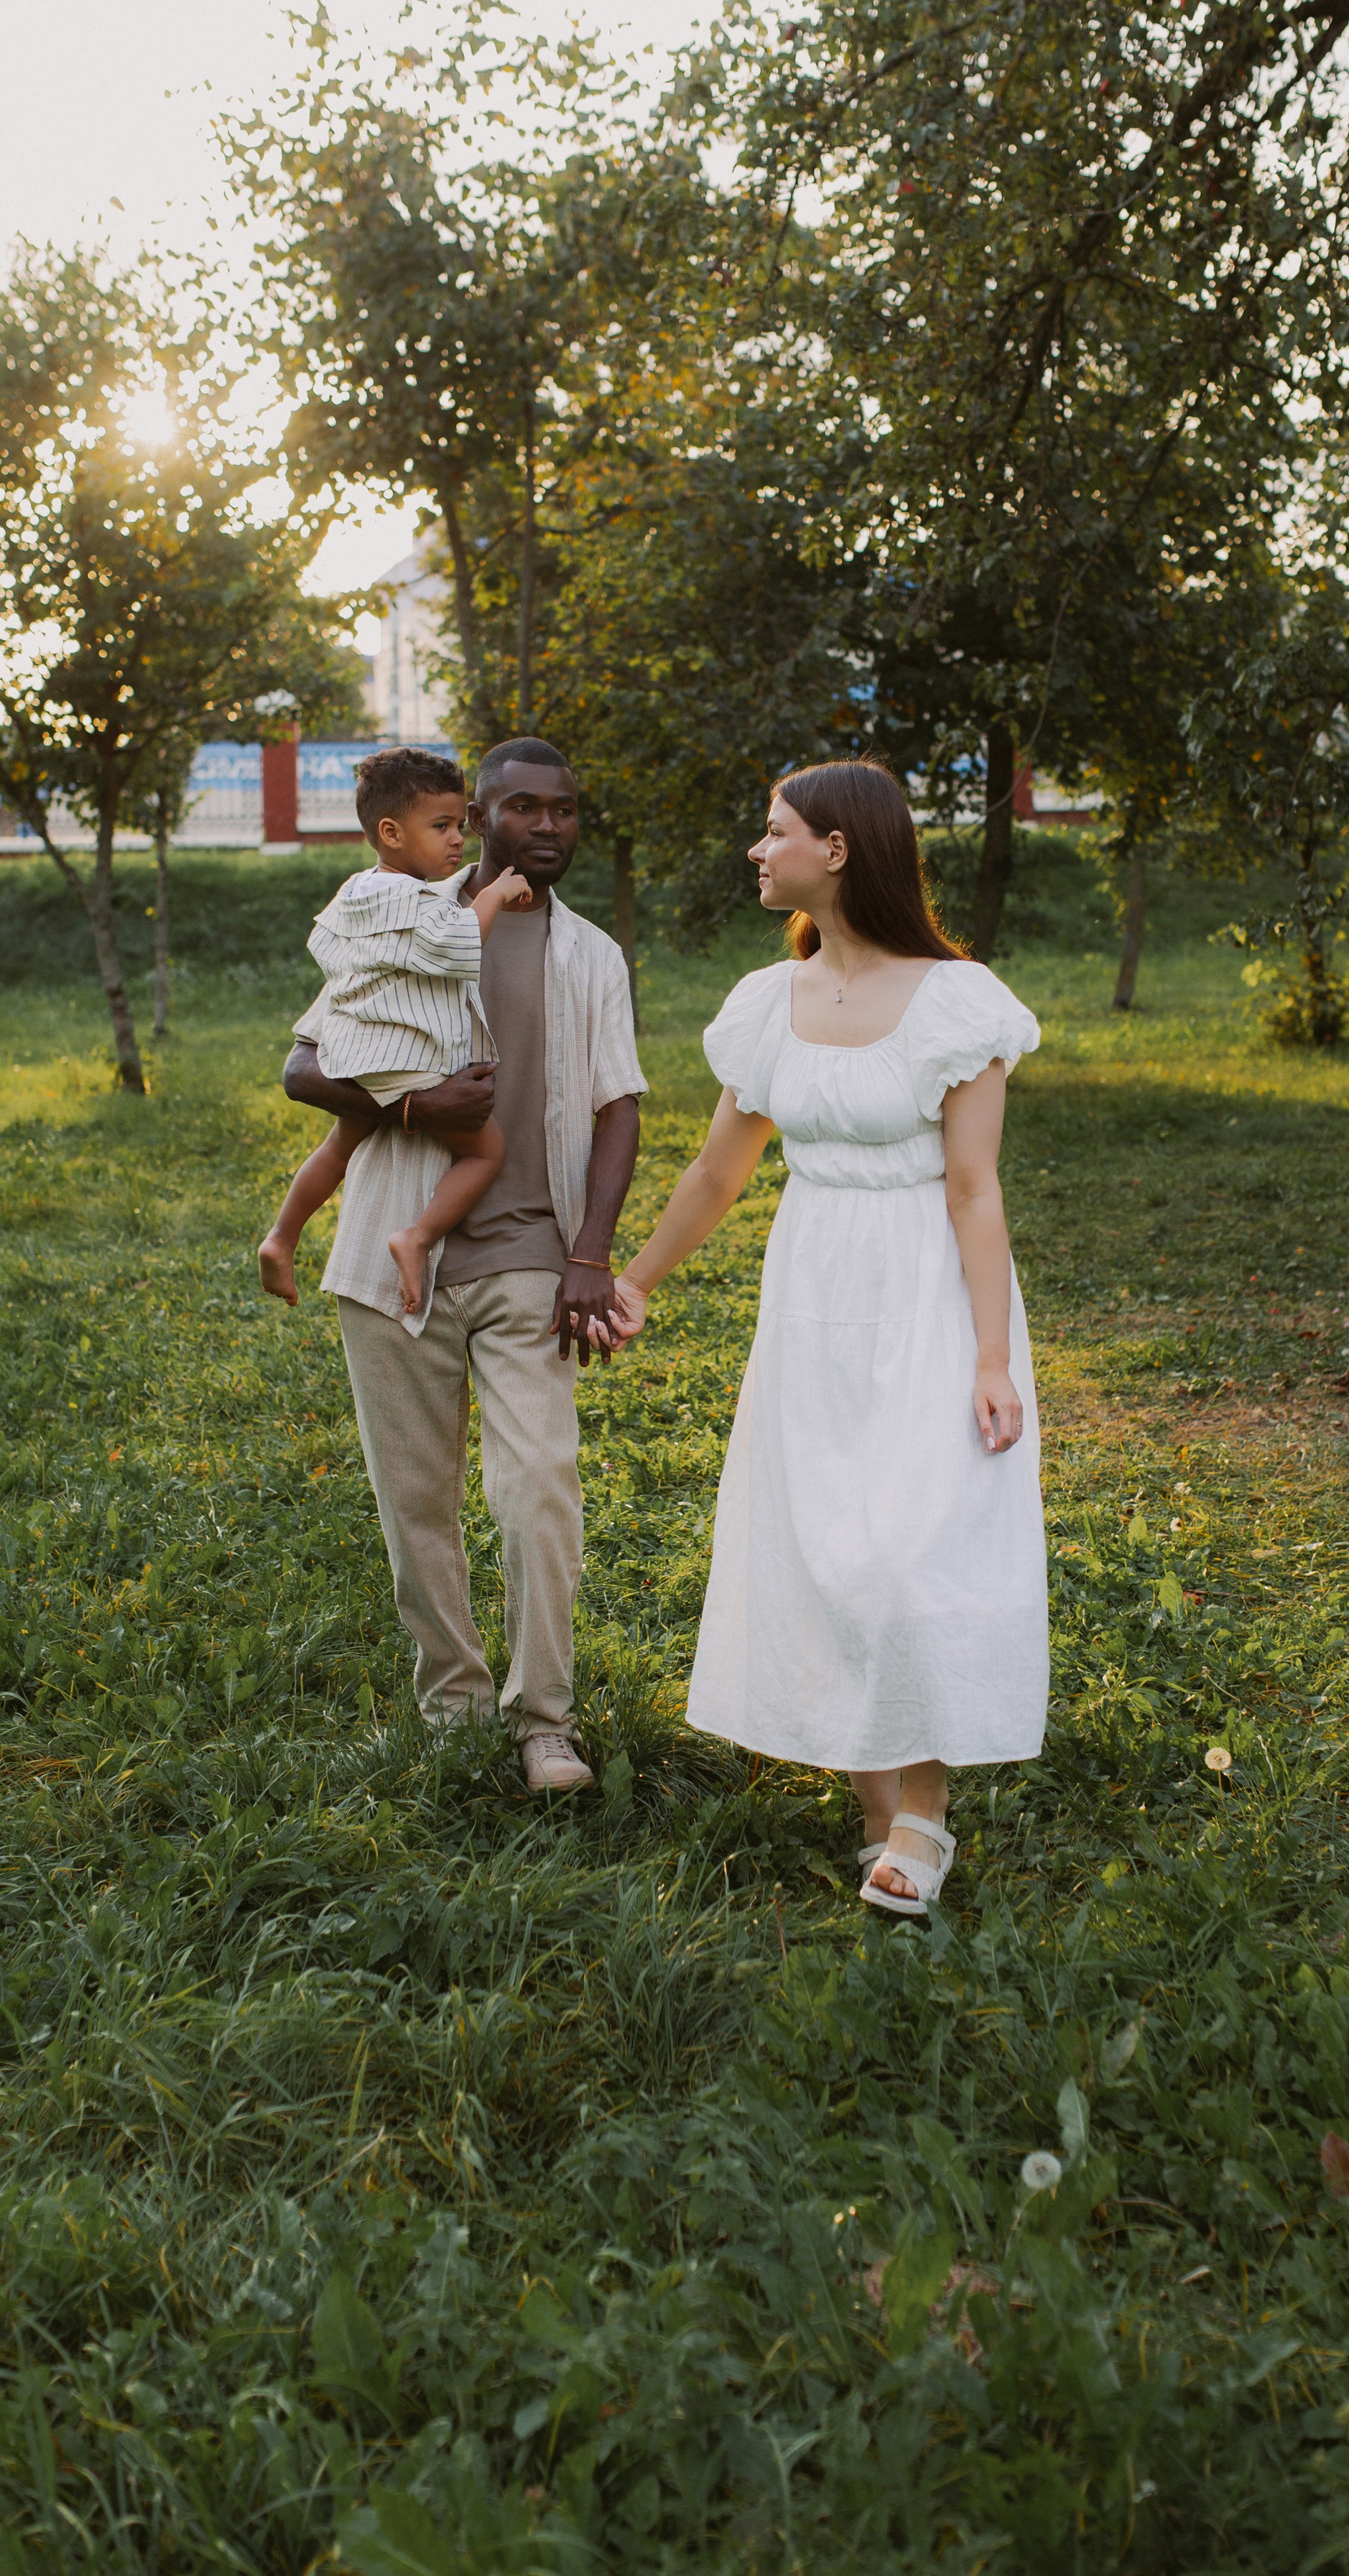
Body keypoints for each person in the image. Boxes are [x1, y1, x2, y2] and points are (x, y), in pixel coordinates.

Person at [607, 758, 1047, 1912]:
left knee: (909, 1551)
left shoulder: (959, 1003)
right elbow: (718, 1169)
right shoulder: (768, 1002)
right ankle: (879, 1816)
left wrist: (992, 1357)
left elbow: (974, 1190)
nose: (758, 850)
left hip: (927, 1296)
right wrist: (637, 1278)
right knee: (822, 1547)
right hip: (812, 1293)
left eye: (774, 831)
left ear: (838, 850)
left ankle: (925, 1813)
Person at [281, 737, 645, 1796]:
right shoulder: (403, 919)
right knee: (417, 1503)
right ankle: (454, 1706)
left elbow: (620, 1106)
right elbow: (306, 1065)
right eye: (522, 808)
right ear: (474, 818)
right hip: (398, 1258)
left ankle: (545, 1723)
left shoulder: (591, 956)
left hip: (534, 1254)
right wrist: (407, 1103)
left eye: (566, 810)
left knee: (538, 1491)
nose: (547, 828)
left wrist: (591, 1253)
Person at [257, 746, 532, 1316]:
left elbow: (332, 953)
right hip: (411, 1059)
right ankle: (418, 1236)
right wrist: (495, 895)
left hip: (359, 1053)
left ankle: (281, 1237)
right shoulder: (418, 898)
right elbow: (459, 945)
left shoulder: (357, 890)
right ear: (391, 832)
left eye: (460, 825)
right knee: (486, 1153)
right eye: (441, 827)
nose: (457, 839)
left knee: (339, 1146)